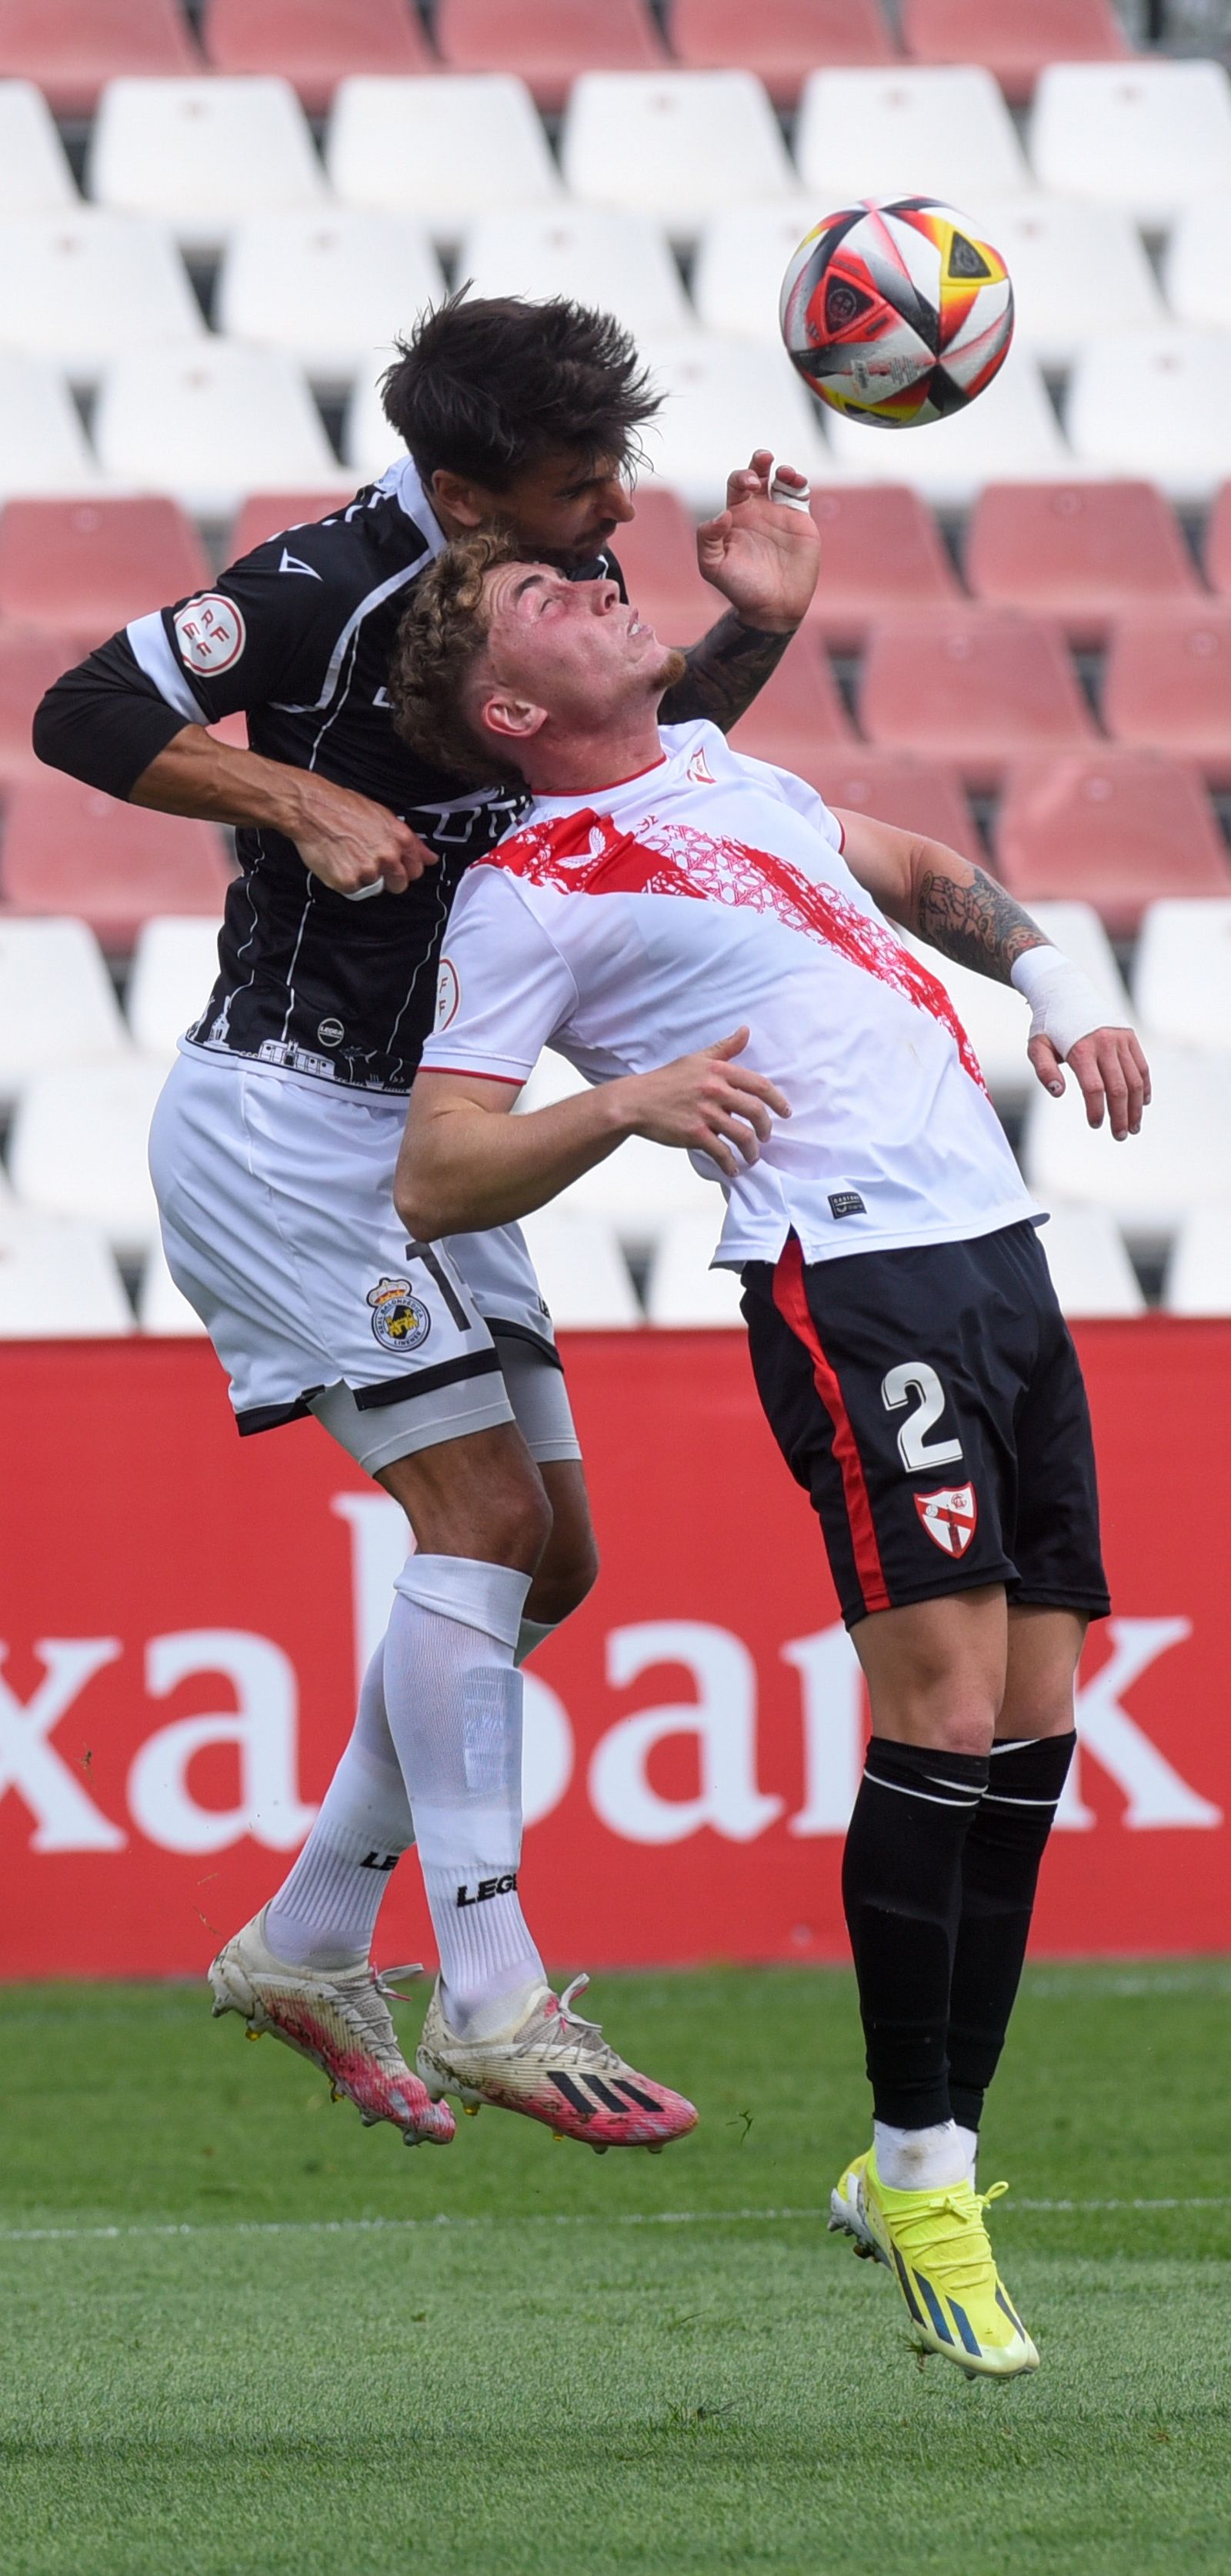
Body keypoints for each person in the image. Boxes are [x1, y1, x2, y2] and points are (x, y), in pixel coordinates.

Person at [32, 294, 819, 2156]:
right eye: (573, 486)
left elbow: (609, 754)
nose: (610, 508)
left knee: (547, 1561)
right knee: (475, 1515)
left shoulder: (542, 572)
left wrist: (753, 632)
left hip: (428, 1122)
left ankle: (311, 1938)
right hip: (287, 1122)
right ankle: (490, 1988)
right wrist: (287, 792)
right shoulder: (313, 589)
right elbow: (81, 708)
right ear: (462, 492)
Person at [387, 528, 1150, 2374]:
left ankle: (922, 2150)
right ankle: (920, 2170)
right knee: (947, 1707)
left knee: (1043, 1705)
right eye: (545, 600)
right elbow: (437, 1167)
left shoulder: (735, 773)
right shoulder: (526, 892)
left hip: (988, 1248)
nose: (595, 586)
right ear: (507, 704)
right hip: (847, 1274)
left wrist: (1061, 994)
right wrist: (626, 1102)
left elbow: (912, 871)